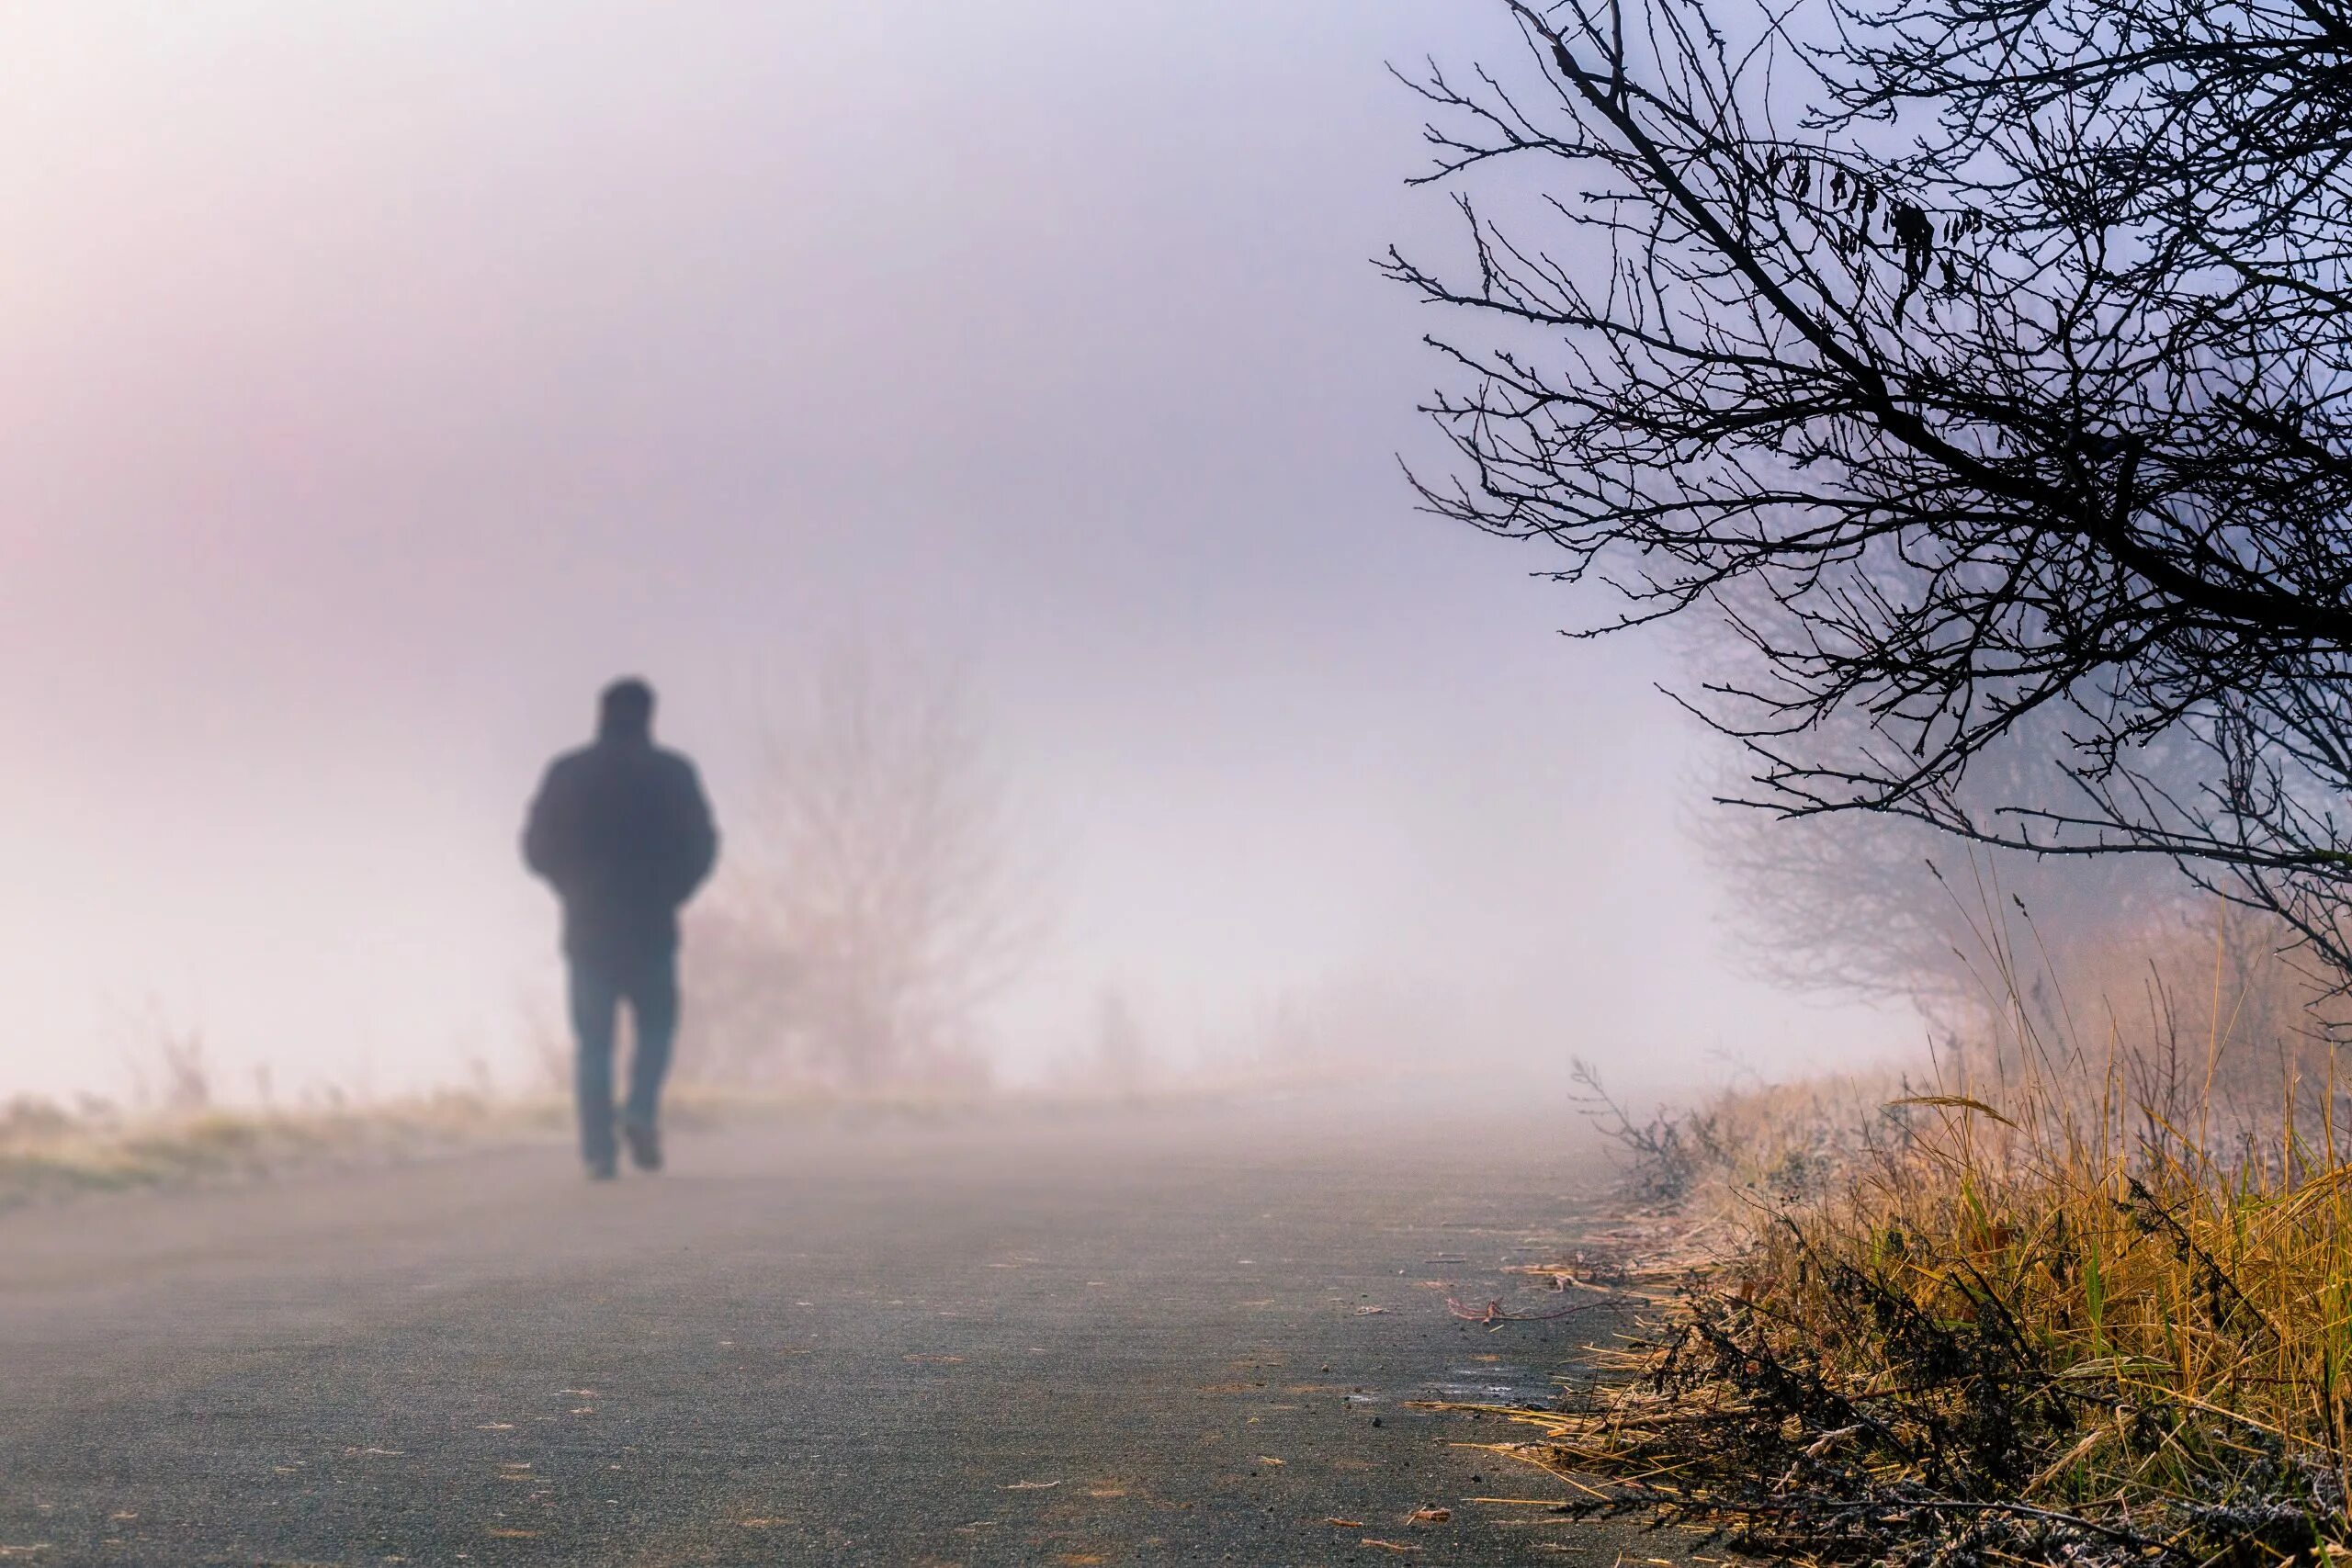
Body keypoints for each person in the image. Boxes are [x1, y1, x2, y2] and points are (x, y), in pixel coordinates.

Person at [523, 678, 718, 1179]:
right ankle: (639, 1111)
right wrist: (674, 892)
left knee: (594, 1043)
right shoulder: (673, 774)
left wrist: (570, 887)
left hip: (588, 928)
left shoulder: (568, 773)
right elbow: (703, 845)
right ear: (649, 716)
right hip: (652, 926)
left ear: (601, 714)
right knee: (656, 1029)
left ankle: (597, 1152)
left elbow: (535, 846)